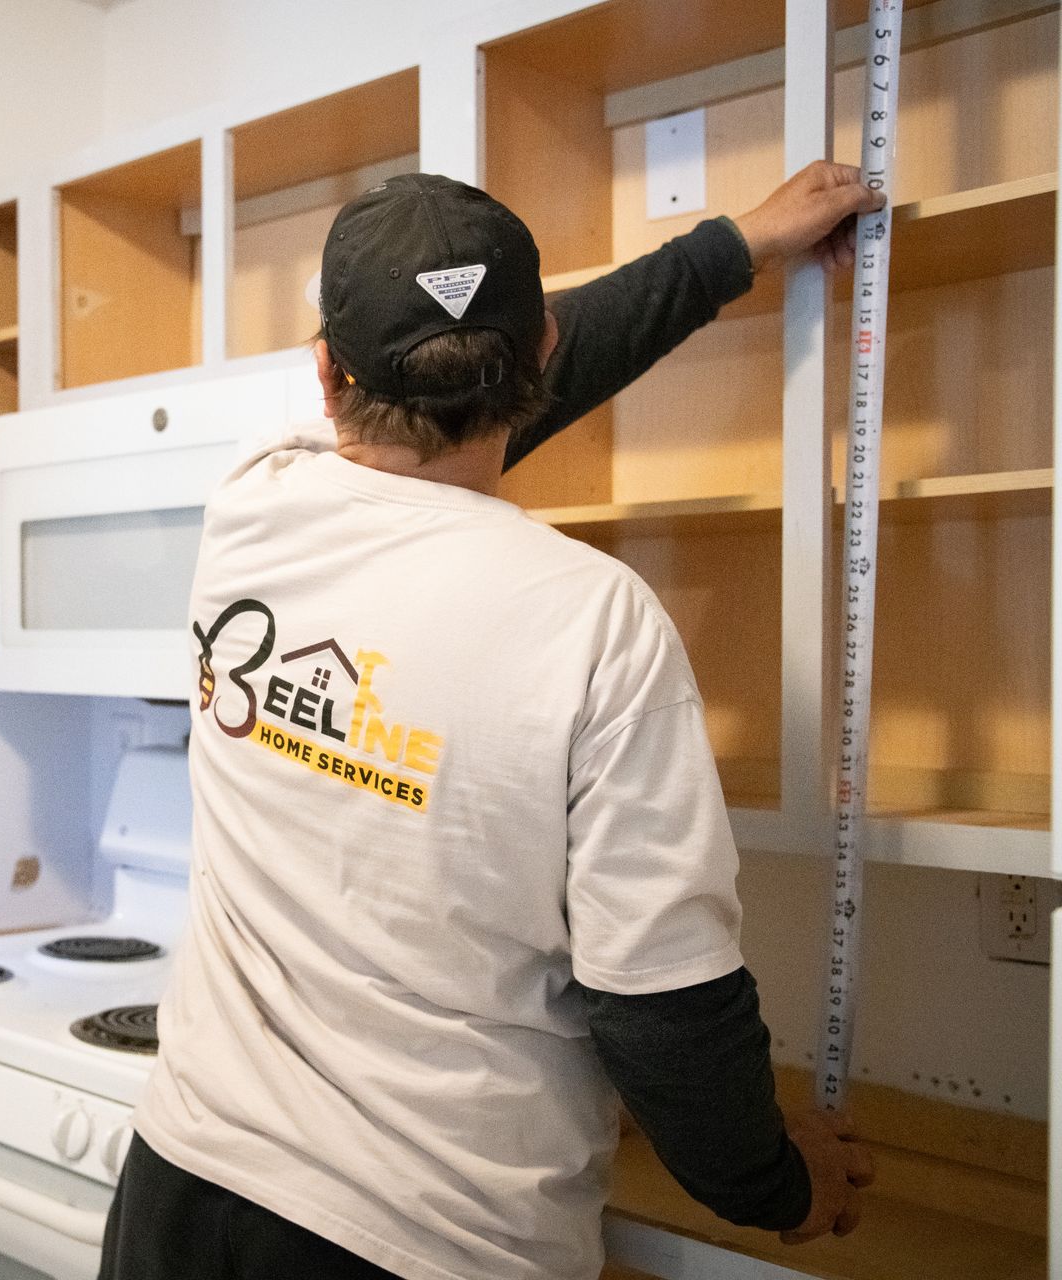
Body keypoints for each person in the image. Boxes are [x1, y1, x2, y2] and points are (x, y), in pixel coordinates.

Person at [100, 166, 883, 1280]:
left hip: (180, 1193)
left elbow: (452, 410)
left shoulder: (252, 506)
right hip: (424, 1237)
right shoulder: (595, 621)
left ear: (324, 374)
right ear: (542, 354)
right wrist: (778, 1184)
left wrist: (735, 246)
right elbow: (662, 1005)